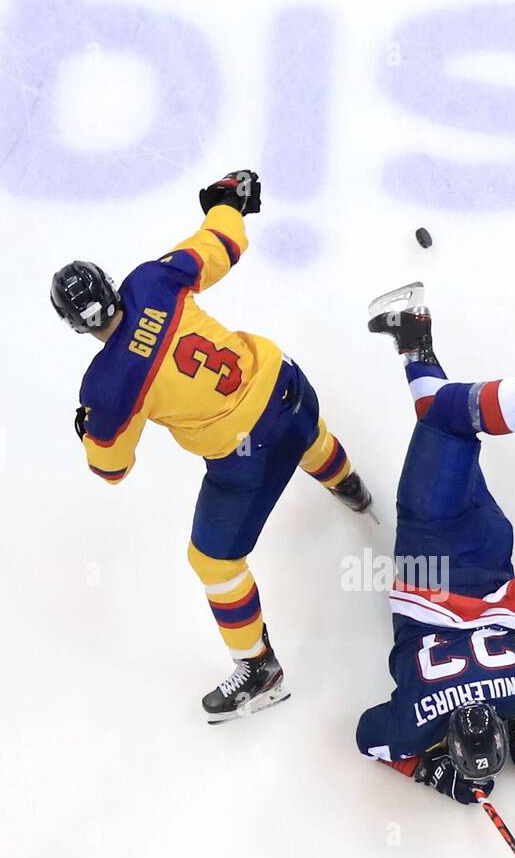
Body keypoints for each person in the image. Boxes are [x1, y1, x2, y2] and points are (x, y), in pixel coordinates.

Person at [52, 170, 372, 723]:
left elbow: (111, 469)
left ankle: (259, 668)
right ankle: (350, 486)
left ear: (73, 326)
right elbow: (225, 242)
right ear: (109, 283)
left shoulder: (107, 387)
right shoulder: (152, 280)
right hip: (285, 384)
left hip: (244, 452)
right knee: (309, 436)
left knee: (213, 561)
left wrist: (87, 428)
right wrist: (228, 202)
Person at [356, 281, 515, 802]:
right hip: (430, 555)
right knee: (447, 423)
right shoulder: (414, 720)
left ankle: (414, 341)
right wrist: (428, 770)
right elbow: (369, 736)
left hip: (492, 554)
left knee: (445, 436)